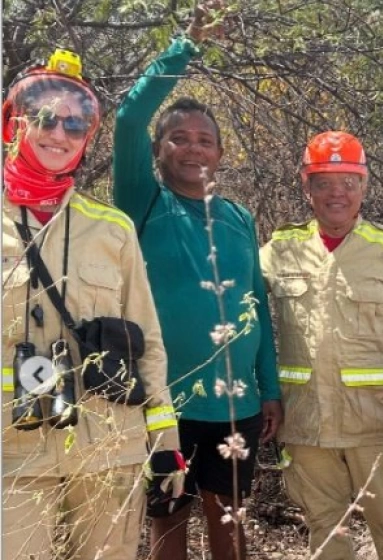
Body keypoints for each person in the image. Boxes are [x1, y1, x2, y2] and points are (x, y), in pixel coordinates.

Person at [111, 5, 281, 560]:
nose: (192, 148)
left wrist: (270, 387)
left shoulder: (239, 218)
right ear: (158, 152)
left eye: (204, 139)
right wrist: (185, 46)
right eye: (178, 138)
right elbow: (128, 119)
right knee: (168, 524)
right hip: (166, 405)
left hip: (236, 407)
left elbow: (257, 305)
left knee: (229, 524)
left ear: (220, 154)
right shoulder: (144, 202)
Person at [1, 49, 181, 559]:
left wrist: (164, 441)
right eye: (44, 118)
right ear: (13, 124)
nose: (58, 134)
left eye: (76, 125)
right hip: (11, 450)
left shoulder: (112, 229)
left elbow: (148, 337)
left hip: (108, 443)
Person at [259, 130, 383, 560]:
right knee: (325, 531)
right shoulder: (281, 249)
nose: (337, 193)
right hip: (305, 424)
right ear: (306, 186)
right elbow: (243, 317)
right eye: (324, 182)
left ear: (364, 185)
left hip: (377, 424)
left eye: (348, 182)